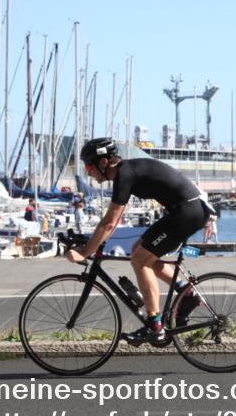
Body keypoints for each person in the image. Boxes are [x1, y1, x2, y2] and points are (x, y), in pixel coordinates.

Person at [66, 137, 211, 344]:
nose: (87, 171)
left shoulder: (125, 174)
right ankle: (185, 293)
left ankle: (155, 326)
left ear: (104, 163)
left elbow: (109, 223)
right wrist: (89, 244)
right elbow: (110, 223)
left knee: (140, 259)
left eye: (89, 165)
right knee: (139, 252)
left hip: (187, 211)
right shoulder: (126, 171)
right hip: (186, 209)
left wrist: (85, 252)